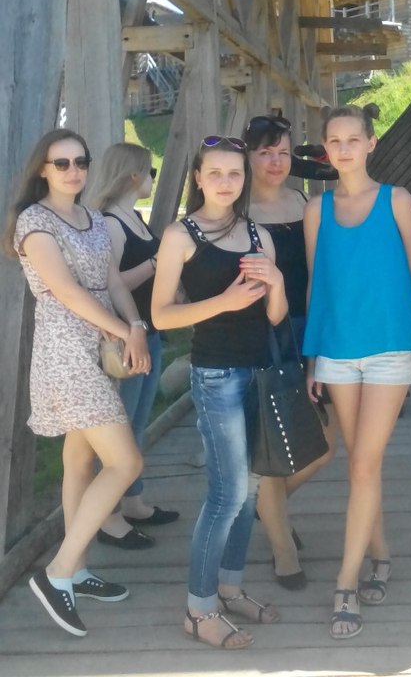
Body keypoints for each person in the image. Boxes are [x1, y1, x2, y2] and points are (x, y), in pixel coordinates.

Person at [3, 129, 150, 637]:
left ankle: (79, 569)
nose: (73, 171)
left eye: (80, 162)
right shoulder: (34, 221)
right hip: (66, 354)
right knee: (126, 462)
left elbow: (113, 282)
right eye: (61, 163)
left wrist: (136, 326)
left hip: (100, 348)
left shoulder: (92, 219)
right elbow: (66, 291)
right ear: (42, 170)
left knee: (80, 462)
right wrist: (123, 331)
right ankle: (57, 572)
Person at [152, 135, 286, 650]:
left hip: (260, 371)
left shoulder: (257, 233)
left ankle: (229, 587)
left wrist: (277, 282)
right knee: (227, 493)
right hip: (216, 374)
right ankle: (198, 608)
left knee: (250, 489)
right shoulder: (180, 235)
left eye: (235, 173)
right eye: (215, 173)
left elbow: (275, 316)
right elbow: (161, 315)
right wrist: (223, 303)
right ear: (199, 178)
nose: (226, 182)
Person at [303, 105, 411, 640]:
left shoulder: (397, 200)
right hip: (336, 350)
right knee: (359, 466)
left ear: (371, 144)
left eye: (354, 139)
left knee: (363, 465)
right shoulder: (316, 209)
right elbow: (317, 284)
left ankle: (345, 583)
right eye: (335, 140)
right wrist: (312, 355)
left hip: (390, 348)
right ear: (325, 149)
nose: (344, 148)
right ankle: (382, 555)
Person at [244, 114, 335, 591]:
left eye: (282, 152)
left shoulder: (302, 201)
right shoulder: (237, 211)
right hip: (261, 336)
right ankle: (284, 552)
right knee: (272, 449)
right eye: (265, 152)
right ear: (248, 157)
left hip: (307, 328)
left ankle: (268, 505)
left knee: (324, 444)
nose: (276, 161)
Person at [87, 142, 179, 549]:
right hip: (124, 341)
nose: (153, 179)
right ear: (133, 175)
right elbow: (113, 285)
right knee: (119, 429)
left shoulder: (134, 218)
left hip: (148, 333)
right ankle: (107, 518)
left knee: (136, 424)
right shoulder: (110, 223)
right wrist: (157, 263)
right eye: (150, 171)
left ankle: (133, 502)